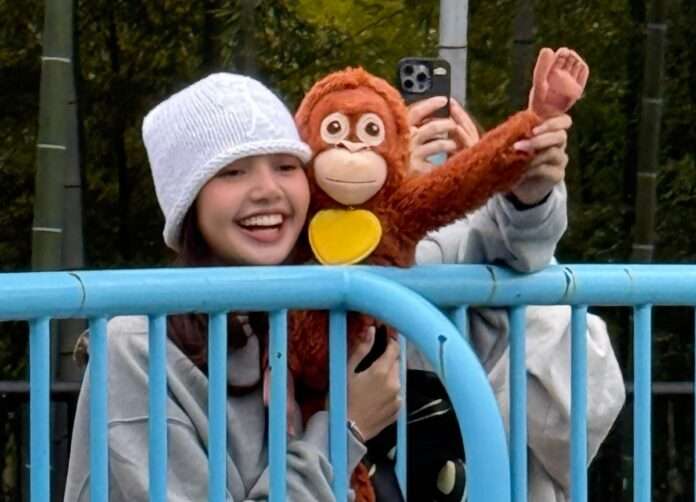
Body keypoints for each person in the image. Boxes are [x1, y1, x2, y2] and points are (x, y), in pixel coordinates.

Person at [64, 73, 402, 501]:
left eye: (286, 166)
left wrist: (491, 188)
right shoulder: (136, 347)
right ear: (188, 201)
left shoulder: (324, 317)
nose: (268, 191)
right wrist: (344, 429)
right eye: (232, 172)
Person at [408, 96, 626, 501]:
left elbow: (577, 423)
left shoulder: (533, 294)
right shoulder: (338, 269)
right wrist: (391, 198)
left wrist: (505, 188)